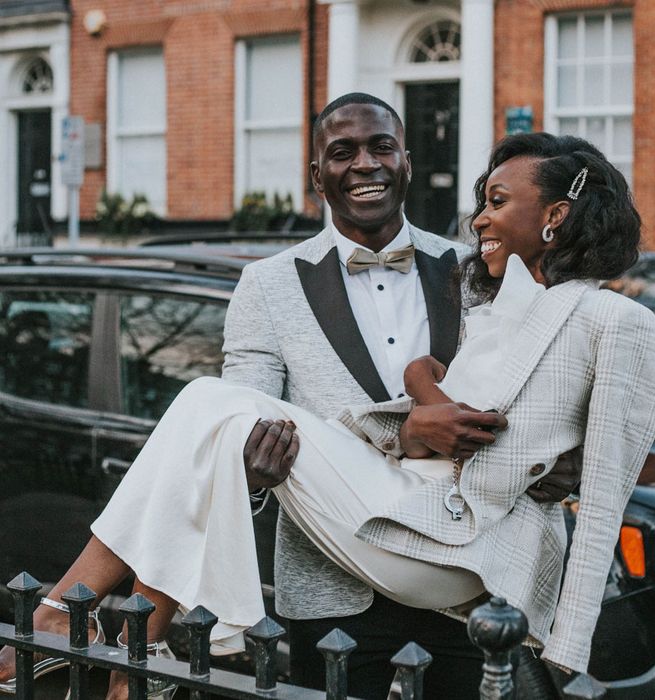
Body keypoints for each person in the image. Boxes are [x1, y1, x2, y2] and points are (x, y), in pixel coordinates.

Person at [0, 121, 602, 700]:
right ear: (318, 176)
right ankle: (107, 630)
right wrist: (255, 471)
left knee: (204, 402)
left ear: (406, 163)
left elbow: (540, 400)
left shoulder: (481, 267)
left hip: (464, 572)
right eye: (342, 152)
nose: (364, 163)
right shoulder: (266, 284)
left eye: (381, 146)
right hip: (331, 580)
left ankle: (84, 618)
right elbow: (247, 415)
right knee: (214, 407)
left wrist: (556, 465)